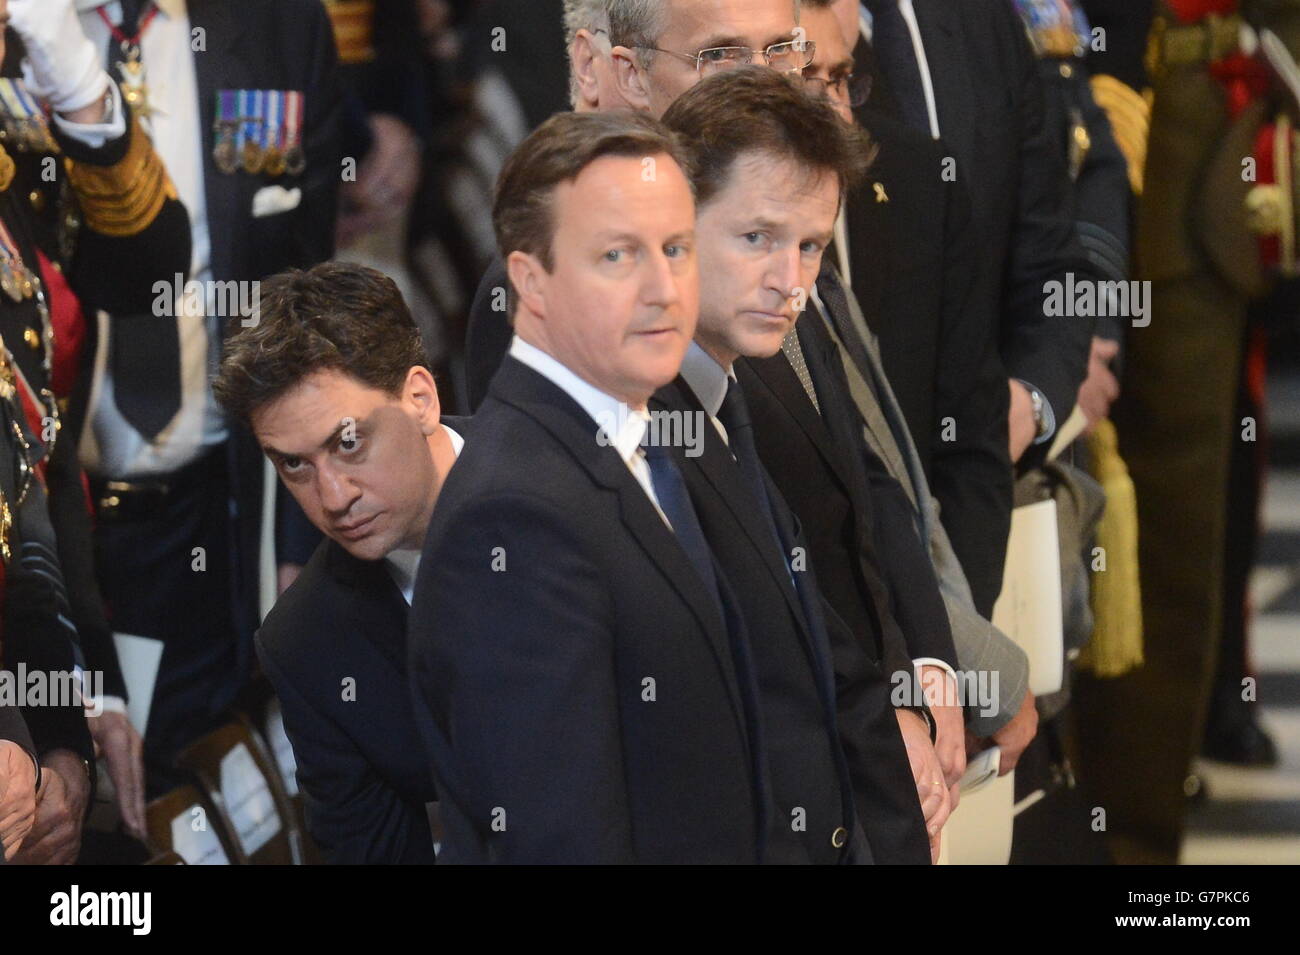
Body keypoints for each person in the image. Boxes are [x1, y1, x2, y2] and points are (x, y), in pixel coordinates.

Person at [411, 110, 846, 863]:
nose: (663, 289)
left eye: (676, 249)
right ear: (531, 283)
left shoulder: (642, 436)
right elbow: (562, 841)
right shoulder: (511, 516)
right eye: (617, 255)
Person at [654, 66, 939, 862]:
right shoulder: (642, 422)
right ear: (674, 223)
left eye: (811, 246)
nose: (793, 283)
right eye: (758, 238)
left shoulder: (731, 385)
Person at [69, 0, 342, 790]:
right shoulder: (21, 38)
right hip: (50, 528)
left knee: (205, 797)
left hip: (218, 514)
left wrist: (300, 535)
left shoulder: (276, 25)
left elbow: (302, 296)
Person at [214, 263, 459, 865]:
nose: (332, 496)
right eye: (293, 464)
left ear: (420, 399)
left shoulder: (566, 482)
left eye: (347, 442)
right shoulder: (305, 642)